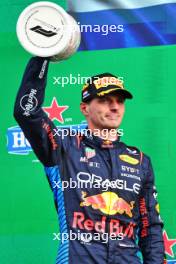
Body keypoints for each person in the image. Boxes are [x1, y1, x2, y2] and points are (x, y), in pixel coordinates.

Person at [14, 57, 166, 264]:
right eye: (105, 100)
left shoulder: (139, 160)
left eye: (119, 101)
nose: (115, 107)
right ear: (85, 108)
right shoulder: (64, 147)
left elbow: (150, 229)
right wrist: (42, 55)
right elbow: (27, 112)